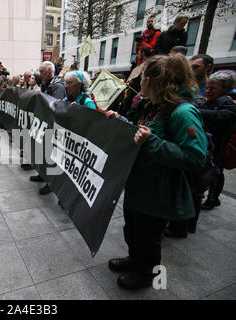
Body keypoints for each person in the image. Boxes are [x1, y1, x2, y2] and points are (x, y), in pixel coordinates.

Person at [106, 54, 208, 289]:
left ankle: (146, 273)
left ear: (151, 80)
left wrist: (152, 142)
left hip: (158, 189)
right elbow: (140, 130)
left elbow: (195, 158)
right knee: (132, 226)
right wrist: (119, 119)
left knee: (148, 234)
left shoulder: (183, 113)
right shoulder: (149, 104)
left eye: (142, 76)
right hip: (138, 182)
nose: (139, 80)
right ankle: (135, 259)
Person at [200, 70, 236, 210]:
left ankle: (213, 198)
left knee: (216, 171)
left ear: (225, 88)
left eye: (213, 88)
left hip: (220, 145)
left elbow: (227, 115)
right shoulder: (212, 101)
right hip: (212, 144)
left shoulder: (225, 101)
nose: (208, 91)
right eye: (208, 87)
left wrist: (198, 111)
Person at [30, 61, 67, 195]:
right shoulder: (46, 84)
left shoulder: (58, 85)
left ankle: (51, 183)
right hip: (45, 123)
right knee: (42, 152)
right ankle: (42, 174)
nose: (40, 74)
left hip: (54, 125)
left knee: (52, 155)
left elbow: (56, 107)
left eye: (42, 71)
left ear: (50, 70)